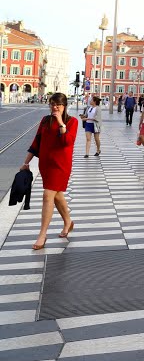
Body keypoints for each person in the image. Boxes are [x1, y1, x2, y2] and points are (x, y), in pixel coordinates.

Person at [23, 93, 78, 250]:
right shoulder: (45, 121)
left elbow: (67, 142)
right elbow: (37, 142)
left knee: (48, 195)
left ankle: (42, 235)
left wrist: (61, 121)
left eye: (58, 104)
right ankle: (68, 222)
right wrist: (26, 162)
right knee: (56, 195)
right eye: (52, 104)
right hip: (46, 164)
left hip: (61, 165)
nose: (54, 107)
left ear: (64, 106)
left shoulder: (72, 121)